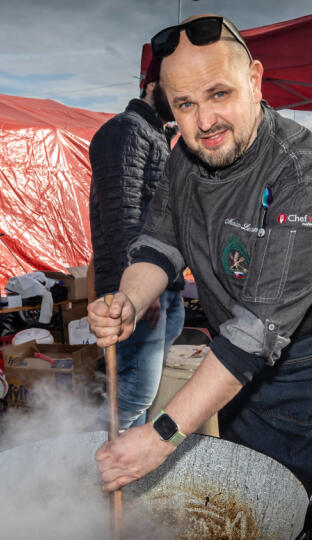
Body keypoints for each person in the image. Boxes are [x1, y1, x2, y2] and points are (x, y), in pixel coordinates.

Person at [89, 15, 312, 536]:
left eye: (219, 93)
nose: (205, 121)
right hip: (238, 378)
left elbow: (257, 331)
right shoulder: (186, 158)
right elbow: (160, 243)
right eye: (185, 104)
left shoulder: (305, 175)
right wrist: (130, 302)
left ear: (255, 78)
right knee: (253, 511)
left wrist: (160, 436)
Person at [88, 56, 185, 429]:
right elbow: (122, 214)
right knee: (133, 393)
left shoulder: (157, 135)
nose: (179, 97)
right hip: (136, 290)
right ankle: (81, 468)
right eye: (173, 88)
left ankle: (124, 476)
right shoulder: (125, 131)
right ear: (150, 85)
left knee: (143, 396)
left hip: (164, 287)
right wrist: (141, 289)